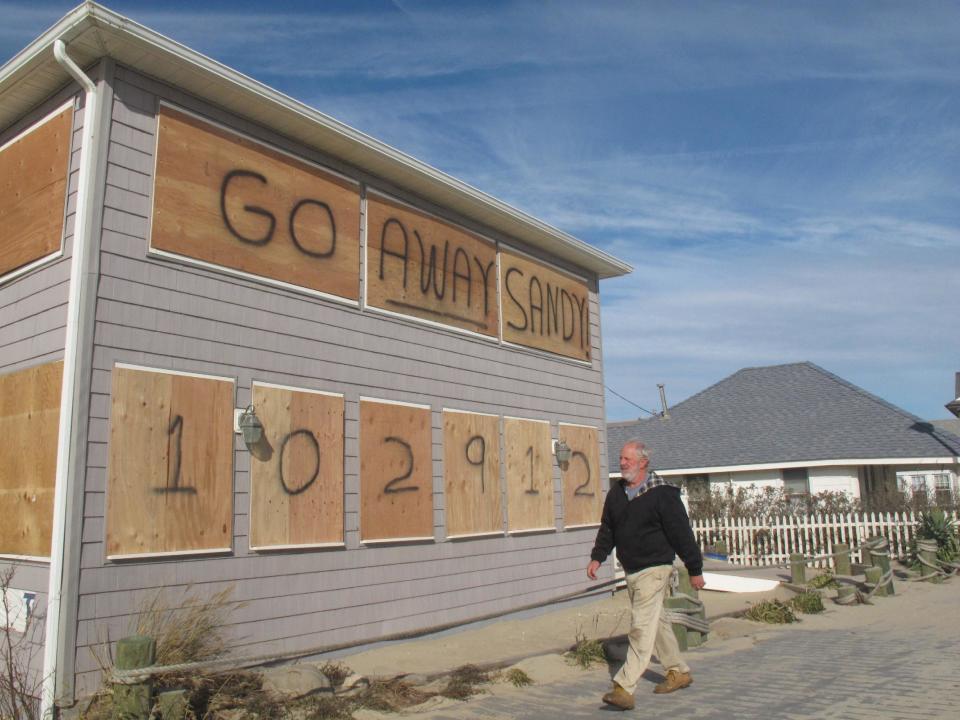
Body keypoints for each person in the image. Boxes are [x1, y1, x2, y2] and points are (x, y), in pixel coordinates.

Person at [586, 439, 705, 710]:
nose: (622, 463)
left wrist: (694, 568)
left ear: (643, 463)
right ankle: (678, 670)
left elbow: (681, 534)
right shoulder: (616, 494)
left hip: (655, 569)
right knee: (657, 623)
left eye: (628, 459)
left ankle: (624, 687)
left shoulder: (663, 494)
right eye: (621, 458)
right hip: (632, 570)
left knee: (641, 626)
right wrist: (597, 557)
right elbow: (608, 529)